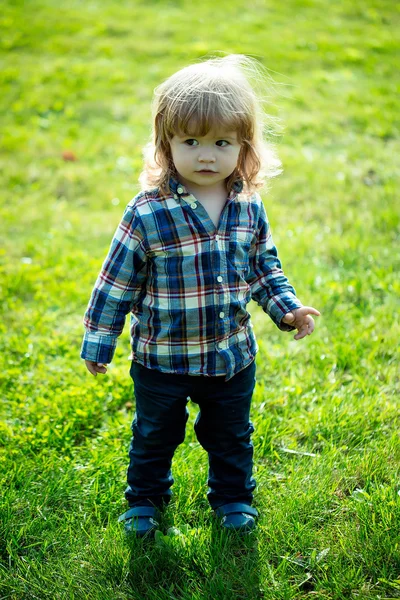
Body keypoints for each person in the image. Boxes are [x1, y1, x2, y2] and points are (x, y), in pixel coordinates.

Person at [81, 54, 320, 538]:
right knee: (153, 436)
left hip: (230, 358)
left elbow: (262, 269)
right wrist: (99, 339)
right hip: (162, 359)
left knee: (231, 436)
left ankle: (233, 499)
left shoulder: (248, 206)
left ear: (243, 146)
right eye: (190, 141)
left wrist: (288, 309)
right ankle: (145, 502)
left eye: (221, 143)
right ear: (166, 143)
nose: (206, 155)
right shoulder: (148, 212)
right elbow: (115, 283)